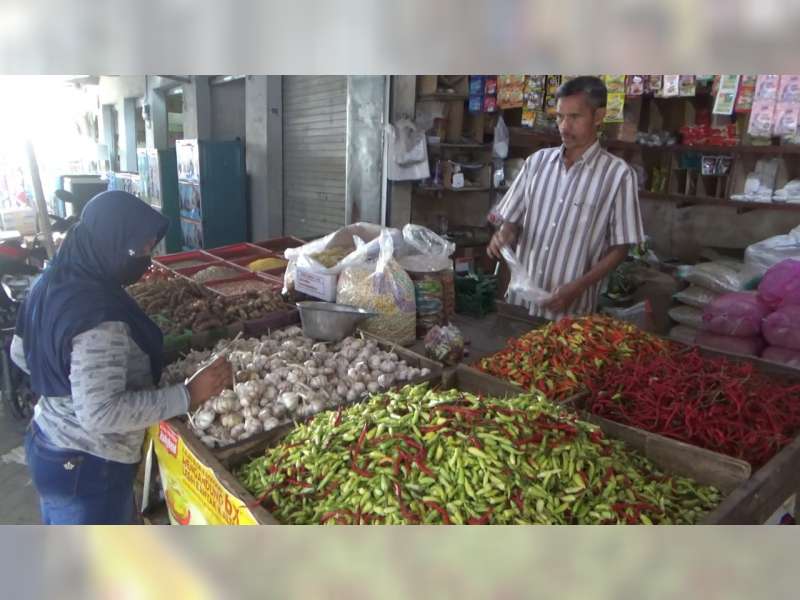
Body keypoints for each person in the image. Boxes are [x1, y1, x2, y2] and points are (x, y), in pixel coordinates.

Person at [12, 190, 232, 524]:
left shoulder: (54, 279)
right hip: (87, 463)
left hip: (48, 439)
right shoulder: (98, 316)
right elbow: (101, 413)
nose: (146, 258)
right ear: (110, 241)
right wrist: (189, 395)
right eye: (139, 248)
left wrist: (70, 383)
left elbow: (21, 353)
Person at [487, 75, 645, 320]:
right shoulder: (537, 163)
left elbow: (620, 248)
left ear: (599, 116)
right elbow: (512, 221)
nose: (564, 126)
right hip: (520, 305)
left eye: (575, 117)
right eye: (560, 117)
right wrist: (504, 235)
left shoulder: (618, 176)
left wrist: (579, 287)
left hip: (571, 313)